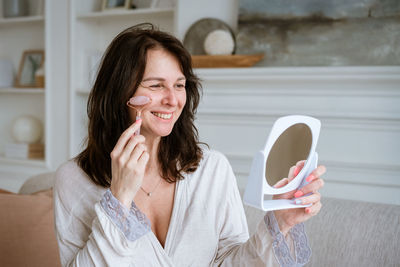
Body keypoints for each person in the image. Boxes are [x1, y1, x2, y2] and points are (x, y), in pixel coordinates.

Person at [54, 23, 326, 267]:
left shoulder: (212, 169)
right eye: (156, 85)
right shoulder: (73, 180)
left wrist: (281, 223)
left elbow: (231, 262)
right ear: (120, 93)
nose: (173, 100)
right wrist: (119, 199)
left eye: (179, 85)